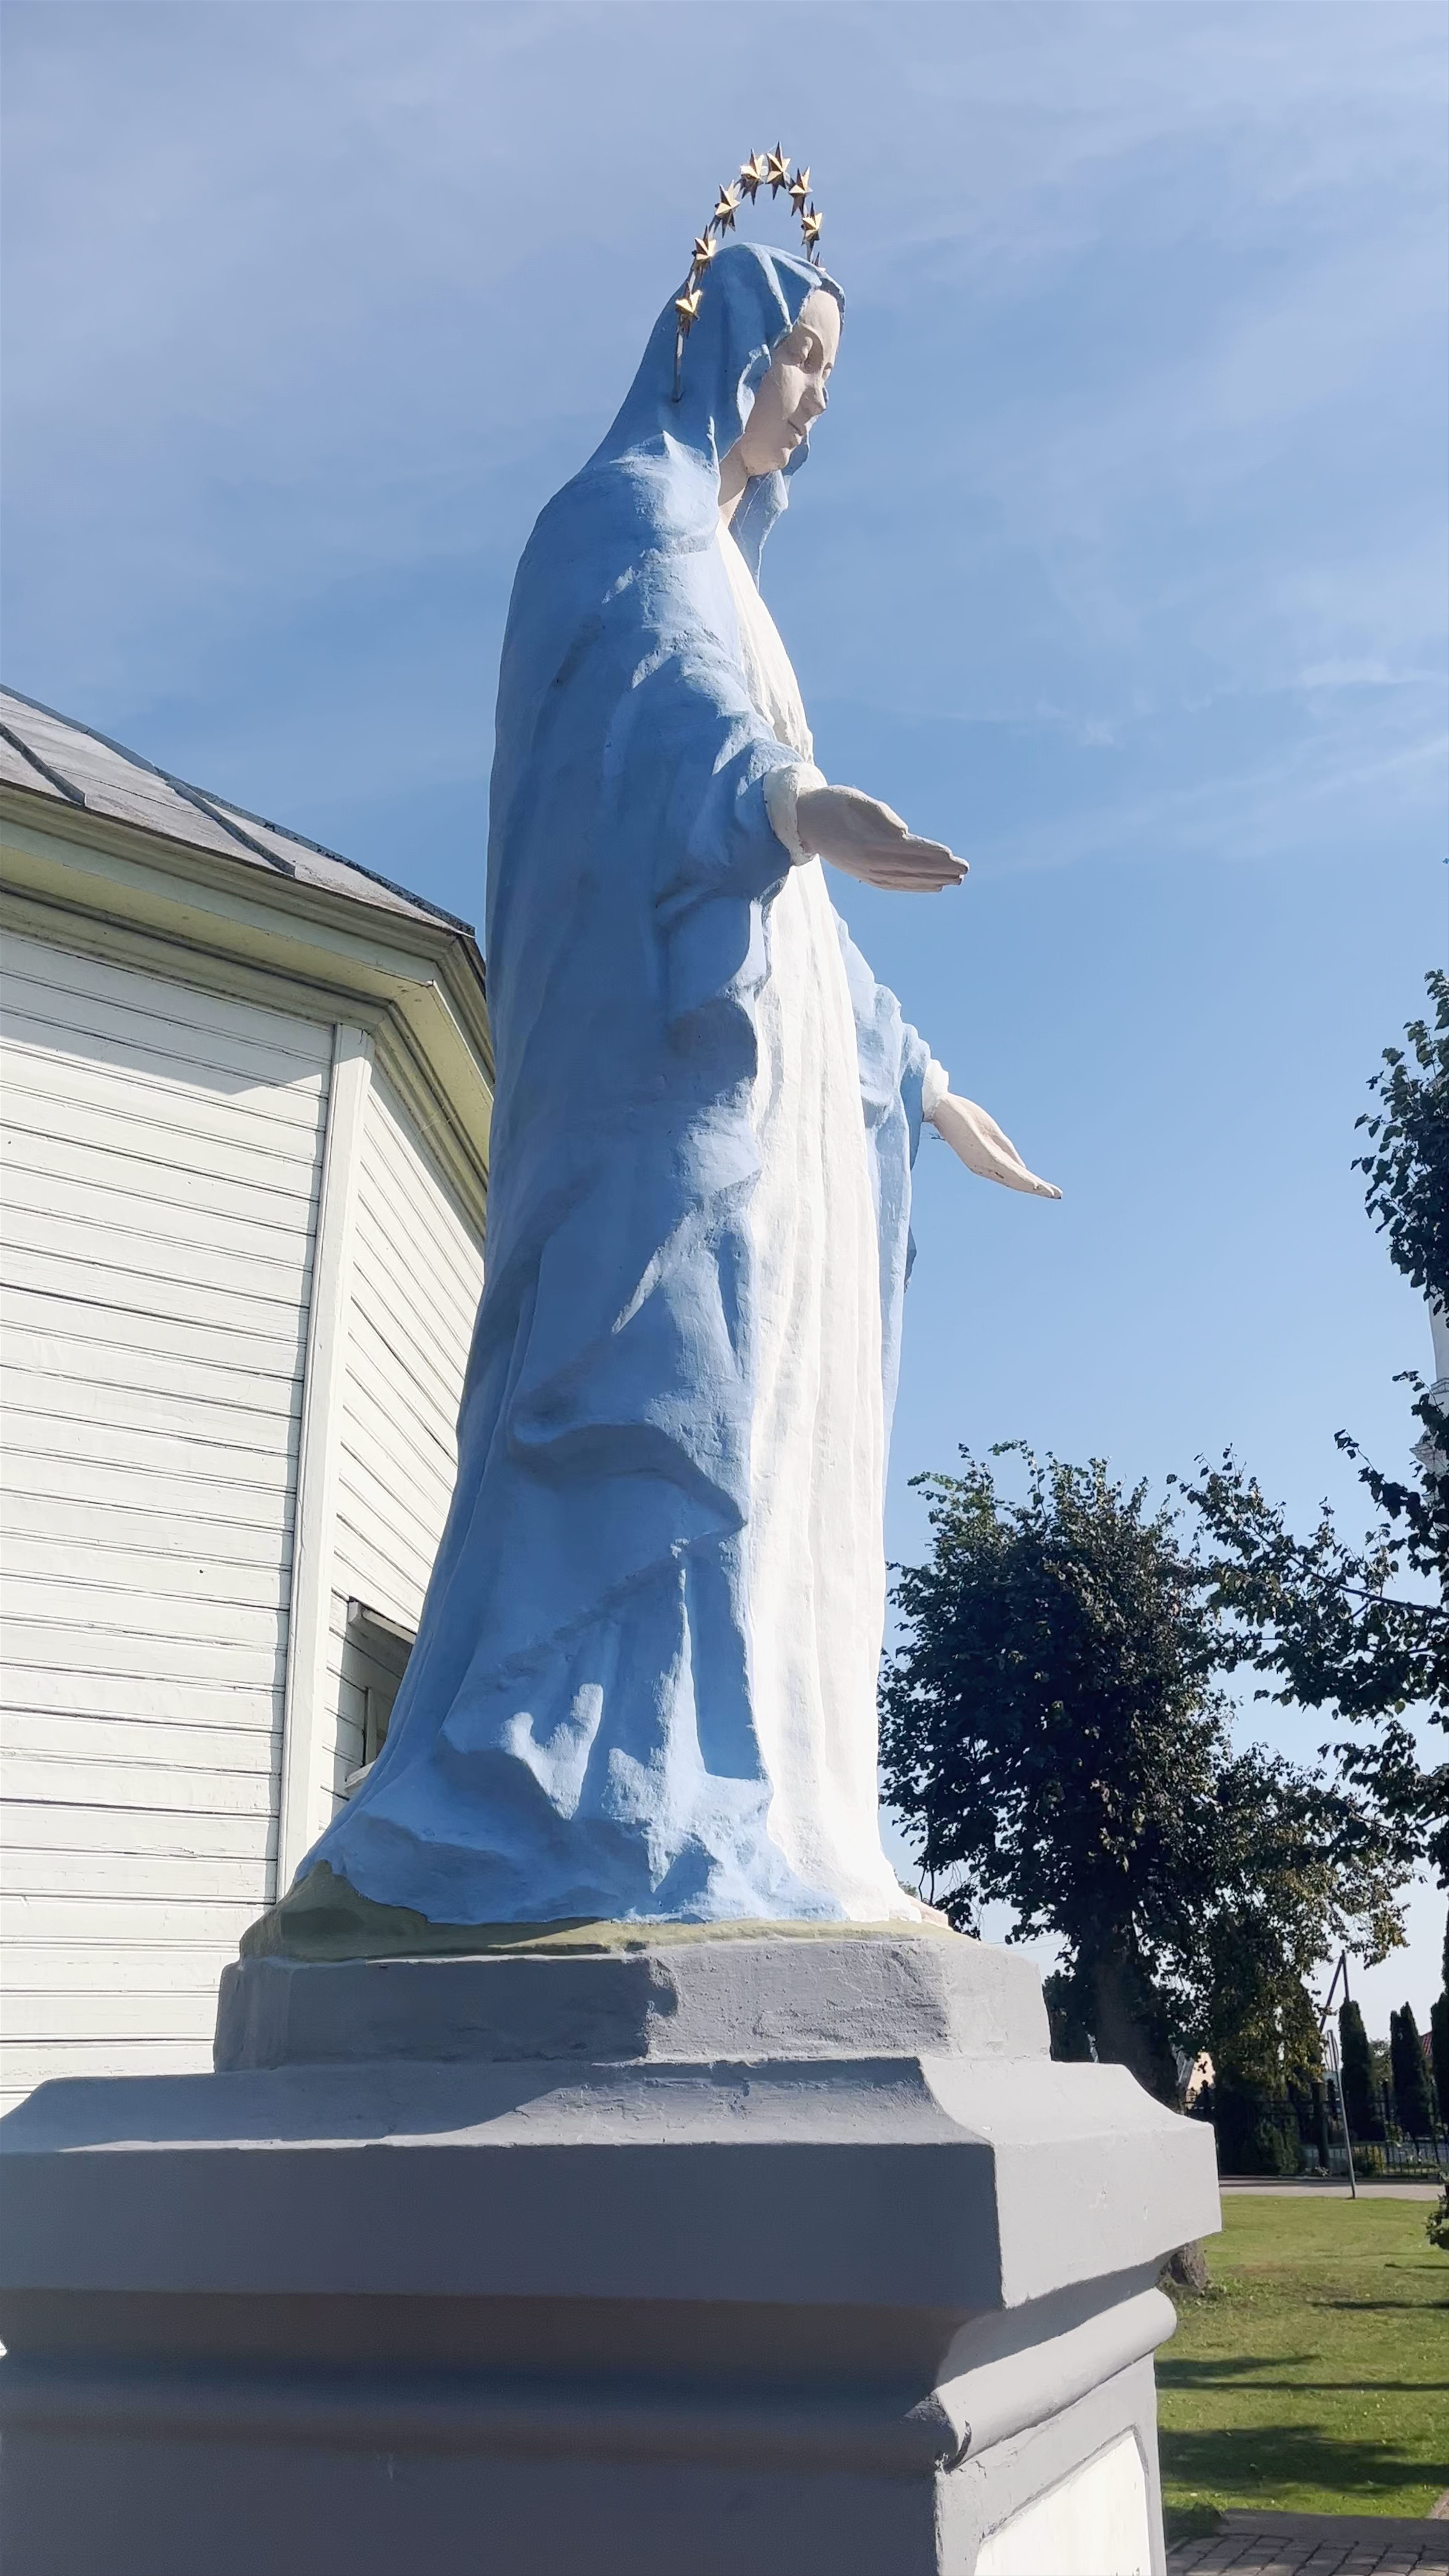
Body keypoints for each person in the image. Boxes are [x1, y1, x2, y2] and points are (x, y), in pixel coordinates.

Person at [257, 237, 1057, 1956]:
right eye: (803, 365)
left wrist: (914, 1074)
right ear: (720, 343)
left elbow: (806, 924)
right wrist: (784, 799)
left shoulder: (729, 571)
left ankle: (710, 1792)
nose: (814, 408)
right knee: (631, 1397)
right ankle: (548, 1797)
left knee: (732, 1431)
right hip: (644, 1101)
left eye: (832, 380)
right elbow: (657, 729)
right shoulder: (617, 521)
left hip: (748, 1109)